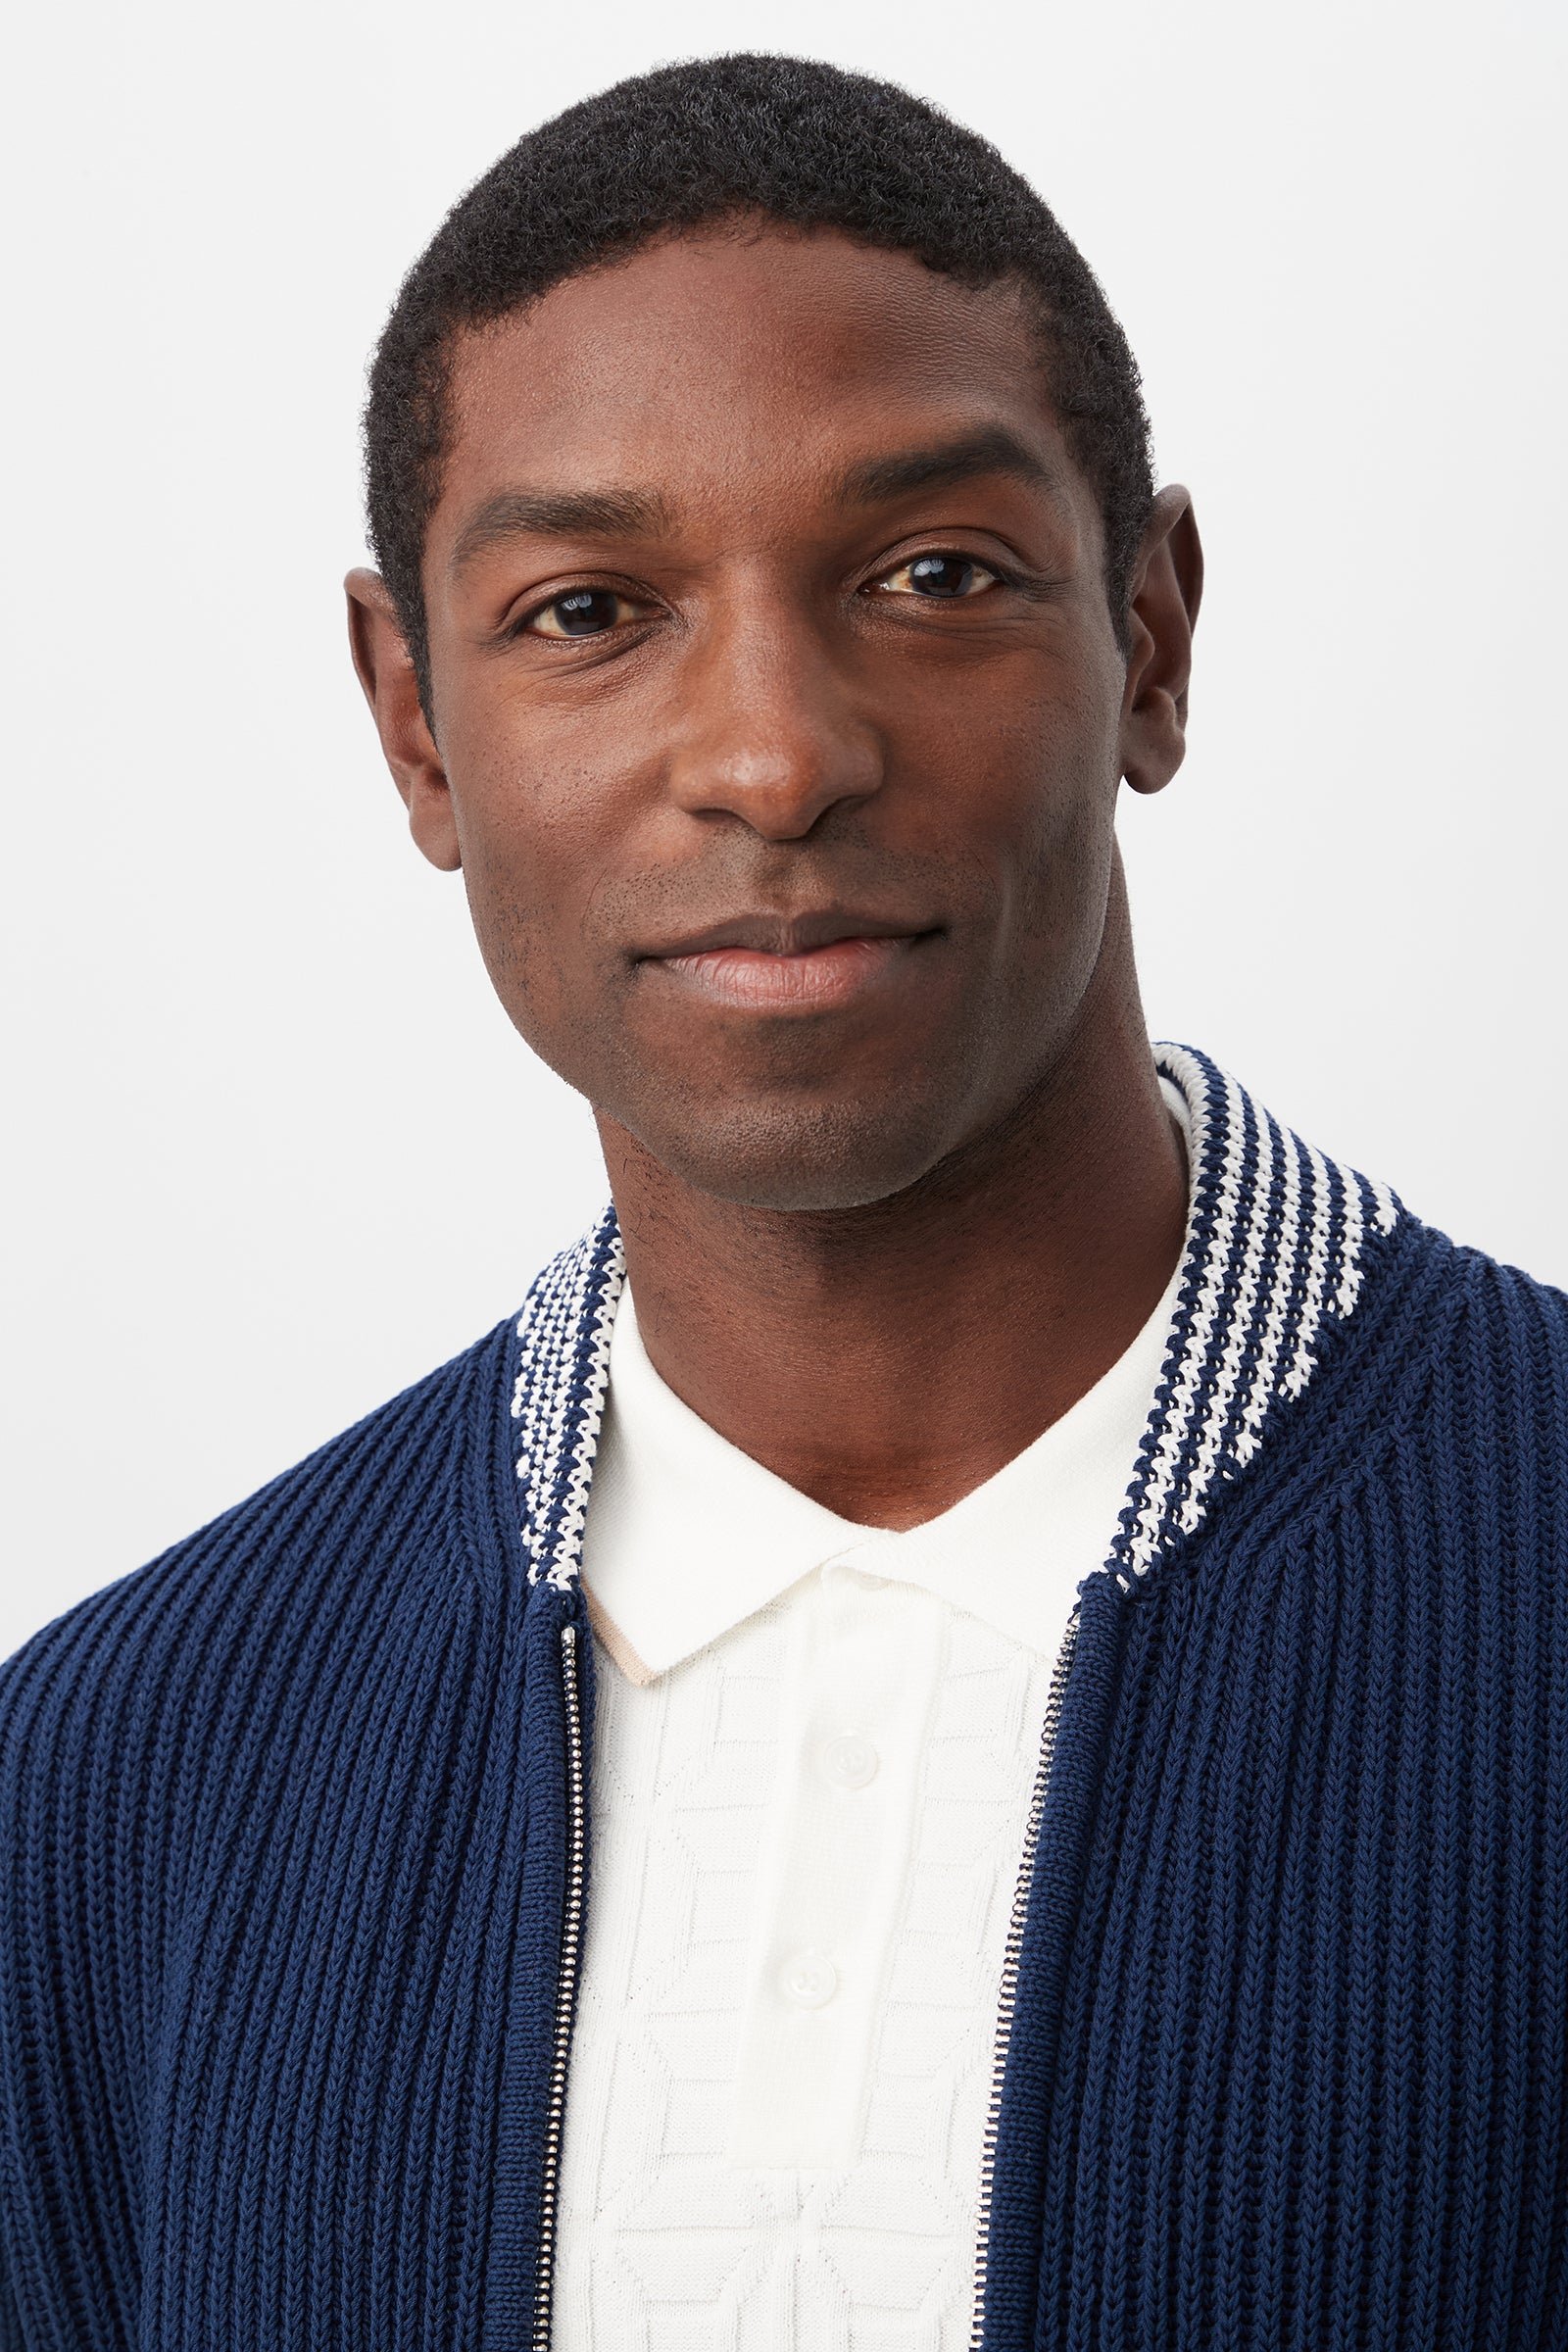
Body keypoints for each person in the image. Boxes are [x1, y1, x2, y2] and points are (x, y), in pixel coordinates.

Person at [3, 50, 1565, 2352]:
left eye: (931, 575)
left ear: (1146, 635)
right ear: (412, 721)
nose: (769, 753)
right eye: (586, 609)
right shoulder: (107, 1786)